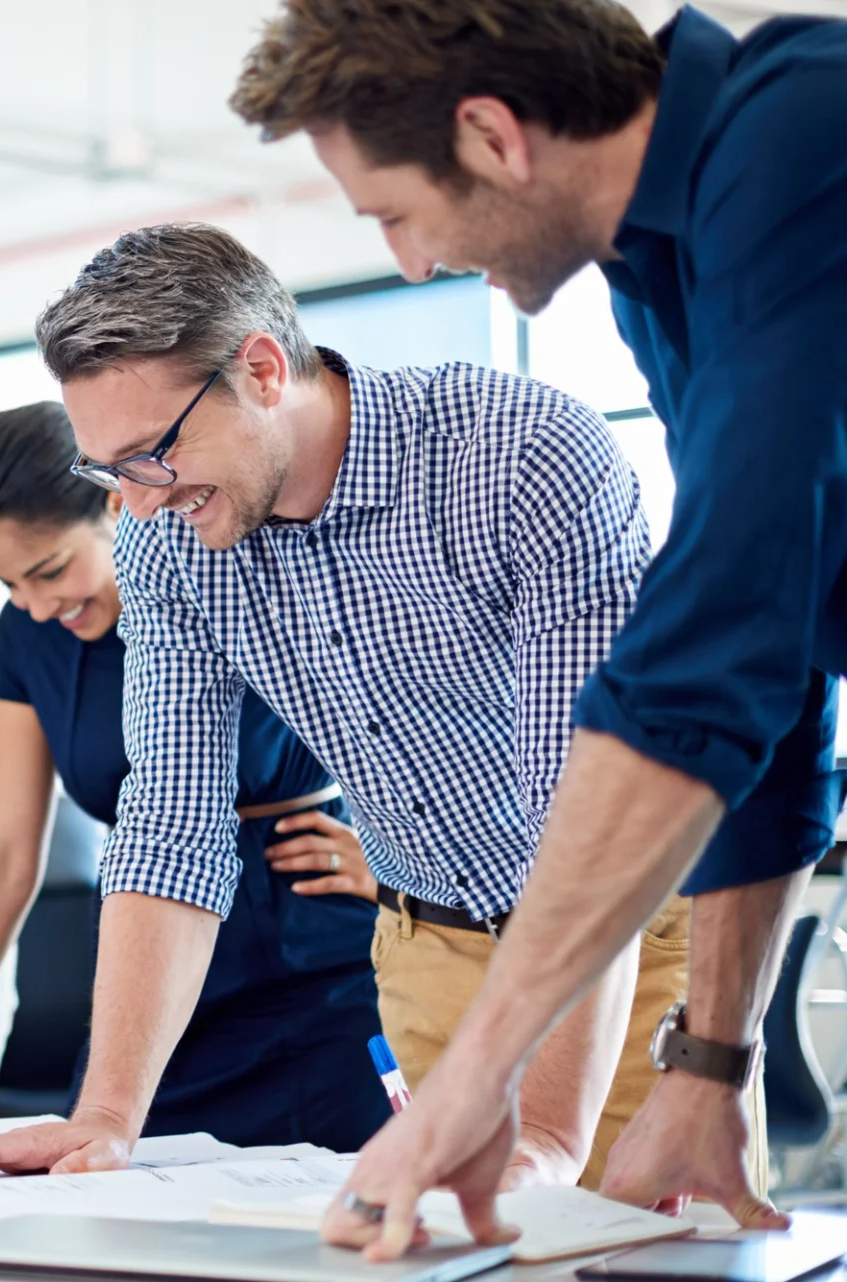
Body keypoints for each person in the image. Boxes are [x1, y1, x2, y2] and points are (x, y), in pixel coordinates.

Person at [229, 0, 847, 1252]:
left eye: (395, 213)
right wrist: (713, 1064)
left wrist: (471, 1087)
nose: (407, 262)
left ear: (494, 135)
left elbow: (708, 645)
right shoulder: (657, 276)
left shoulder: (805, 136)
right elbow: (780, 659)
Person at [0, 222, 698, 1194]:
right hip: (424, 947)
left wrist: (543, 1133)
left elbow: (586, 814)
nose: (141, 504)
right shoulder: (170, 544)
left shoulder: (514, 458)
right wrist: (108, 1119)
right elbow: (172, 817)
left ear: (261, 368)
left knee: (640, 1254)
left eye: (152, 454)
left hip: (626, 943)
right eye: (108, 472)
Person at [0, 403, 388, 1151]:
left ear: (119, 499)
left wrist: (391, 866)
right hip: (149, 965)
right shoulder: (28, 635)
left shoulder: (225, 570)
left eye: (51, 569)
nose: (37, 605)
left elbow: (401, 722)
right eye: (8, 584)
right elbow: (1, 857)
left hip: (316, 970)